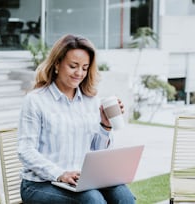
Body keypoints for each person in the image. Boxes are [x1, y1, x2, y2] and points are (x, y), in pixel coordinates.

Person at [18, 34, 135, 204]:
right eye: (73, 66)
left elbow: (97, 152)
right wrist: (60, 174)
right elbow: (25, 150)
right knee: (92, 200)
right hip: (40, 183)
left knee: (124, 197)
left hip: (82, 180)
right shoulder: (35, 100)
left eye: (85, 68)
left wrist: (105, 126)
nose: (79, 73)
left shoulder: (91, 101)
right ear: (57, 64)